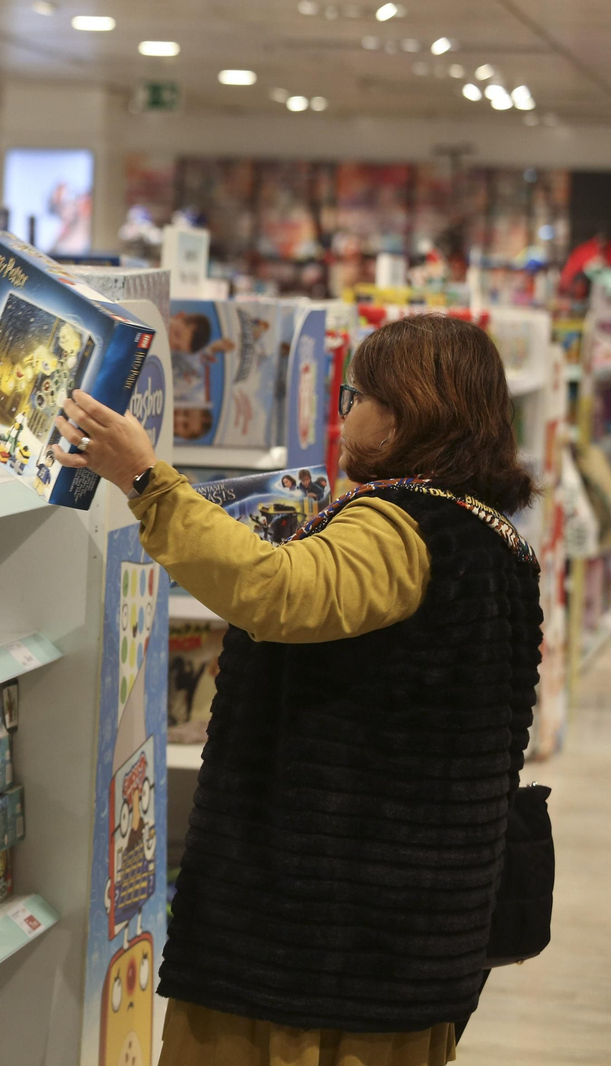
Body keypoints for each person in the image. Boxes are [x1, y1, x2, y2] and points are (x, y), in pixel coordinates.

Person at [54, 314, 542, 1066]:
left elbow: (272, 591)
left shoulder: (397, 529)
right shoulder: (484, 532)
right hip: (404, 937)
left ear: (408, 410)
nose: (344, 413)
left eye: (358, 395)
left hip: (316, 947)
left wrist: (146, 481)